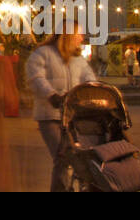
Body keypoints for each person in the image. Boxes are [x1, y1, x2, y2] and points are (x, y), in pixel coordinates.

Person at [25, 33, 97, 192]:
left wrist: (94, 92)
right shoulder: (43, 53)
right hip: (49, 115)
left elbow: (89, 78)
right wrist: (51, 95)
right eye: (78, 34)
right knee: (62, 156)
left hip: (72, 115)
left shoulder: (77, 59)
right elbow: (36, 77)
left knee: (79, 155)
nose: (81, 38)